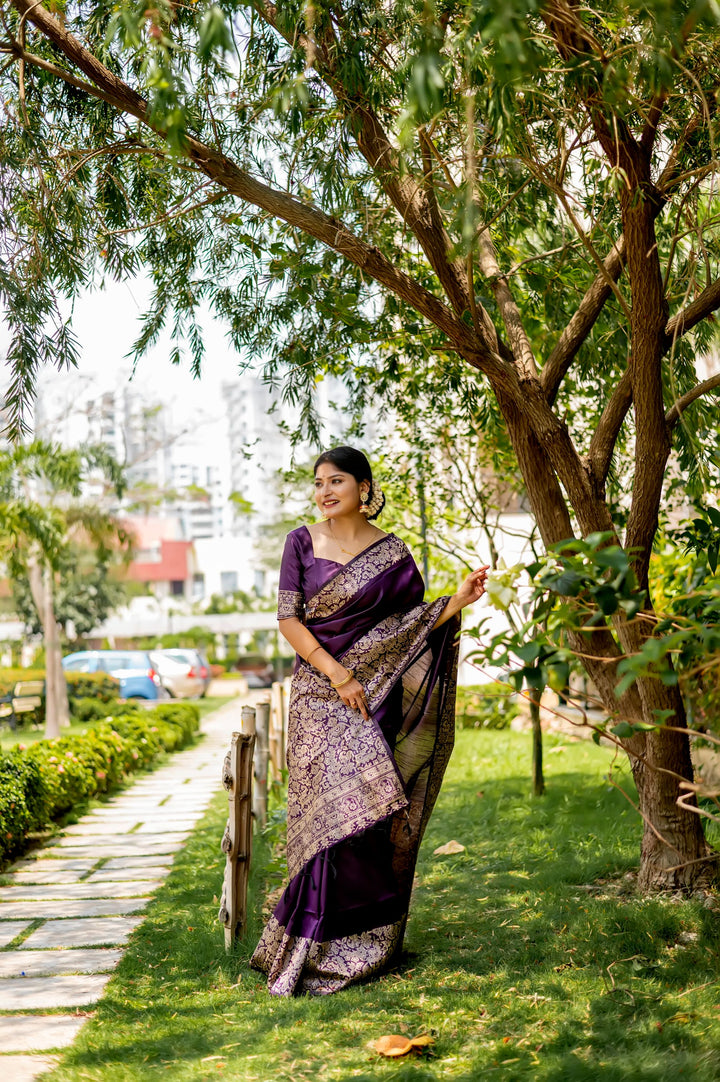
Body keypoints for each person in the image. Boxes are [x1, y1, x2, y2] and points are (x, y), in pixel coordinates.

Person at [251, 446, 488, 996]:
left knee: (363, 820)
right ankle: (302, 948)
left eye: (337, 481)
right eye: (318, 483)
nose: (325, 491)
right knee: (326, 823)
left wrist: (458, 601)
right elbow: (288, 619)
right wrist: (337, 674)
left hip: (373, 697)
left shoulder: (394, 554)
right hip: (319, 693)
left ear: (363, 487)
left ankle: (363, 946)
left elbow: (408, 628)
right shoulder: (301, 543)